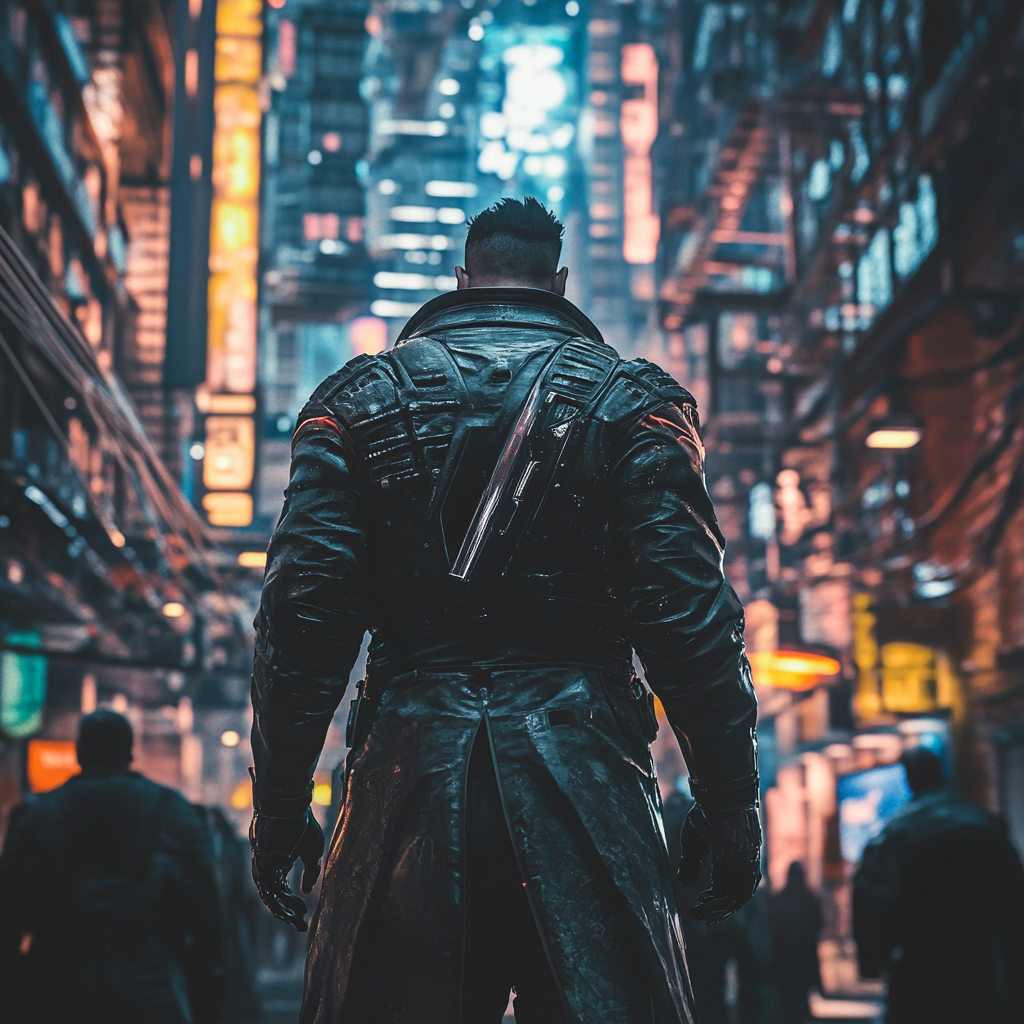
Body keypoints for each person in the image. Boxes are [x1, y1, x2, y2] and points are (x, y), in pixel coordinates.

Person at [248, 196, 761, 1024]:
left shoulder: (352, 404)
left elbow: (299, 625)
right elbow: (693, 621)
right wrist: (732, 804)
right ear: (558, 283)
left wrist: (279, 811)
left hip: (402, 791)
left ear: (461, 277)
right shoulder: (637, 405)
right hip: (589, 785)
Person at [0, 710, 224, 1024]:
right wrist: (210, 972)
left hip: (57, 980)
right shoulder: (172, 810)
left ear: (79, 751)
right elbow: (205, 901)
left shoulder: (37, 815)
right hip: (149, 980)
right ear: (129, 751)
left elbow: (9, 907)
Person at [853, 746, 1024, 1024]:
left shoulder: (899, 831)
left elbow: (873, 896)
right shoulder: (983, 822)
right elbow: (1015, 897)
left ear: (910, 778)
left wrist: (874, 960)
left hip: (924, 968)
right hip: (983, 965)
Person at [769, 862, 822, 1024]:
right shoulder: (804, 899)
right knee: (792, 996)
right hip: (790, 957)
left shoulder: (785, 899)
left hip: (795, 957)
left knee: (795, 995)